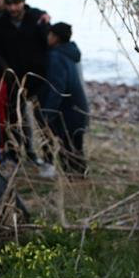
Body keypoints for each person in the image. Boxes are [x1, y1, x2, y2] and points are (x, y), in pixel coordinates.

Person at [0, 0, 51, 168]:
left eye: (16, 3)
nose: (12, 8)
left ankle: (48, 159)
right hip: (14, 81)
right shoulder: (0, 22)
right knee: (17, 121)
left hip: (38, 79)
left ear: (23, 1)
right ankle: (22, 155)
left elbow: (49, 42)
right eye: (9, 4)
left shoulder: (37, 17)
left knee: (44, 122)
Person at [40, 22, 89, 176]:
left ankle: (73, 179)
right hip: (79, 106)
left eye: (50, 35)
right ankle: (79, 177)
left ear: (55, 37)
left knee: (67, 146)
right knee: (76, 146)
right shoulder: (71, 52)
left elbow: (57, 88)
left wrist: (48, 113)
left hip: (67, 110)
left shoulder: (56, 56)